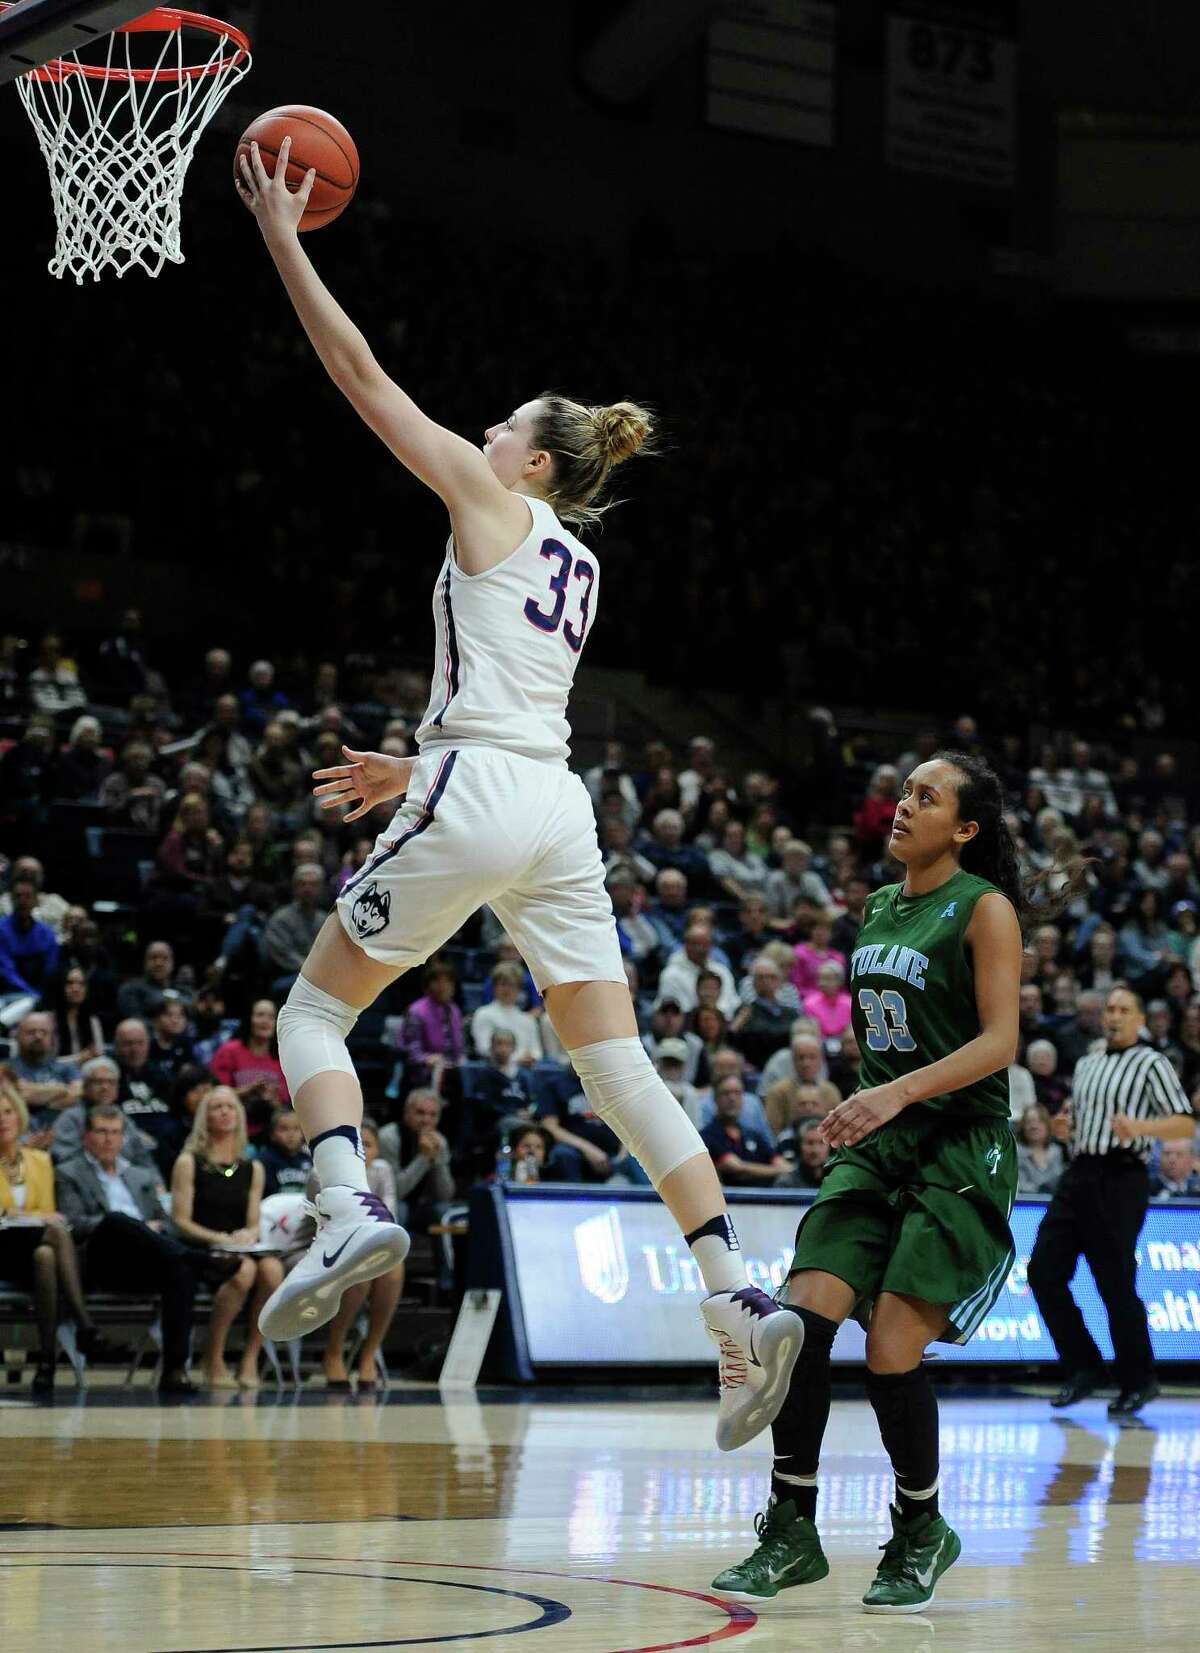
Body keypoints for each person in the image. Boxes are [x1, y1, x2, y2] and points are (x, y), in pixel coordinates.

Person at [235, 145, 801, 1451]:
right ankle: (735, 1294)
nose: (483, 435)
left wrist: (282, 237)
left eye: (503, 428)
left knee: (314, 1009)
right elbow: (498, 704)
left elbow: (360, 376)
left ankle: (343, 1202)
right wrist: (418, 769)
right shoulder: (581, 566)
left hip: (487, 788)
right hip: (553, 807)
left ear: (534, 464)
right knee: (617, 1067)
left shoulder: (491, 496)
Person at [713, 752, 1032, 1613]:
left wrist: (891, 1092)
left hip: (959, 1146)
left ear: (965, 828)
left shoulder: (986, 908)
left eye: (927, 797)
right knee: (797, 1324)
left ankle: (922, 1526)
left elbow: (999, 1041)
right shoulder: (880, 904)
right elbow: (886, 1034)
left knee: (891, 1347)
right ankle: (791, 1528)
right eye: (904, 791)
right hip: (880, 1137)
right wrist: (864, 1105)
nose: (904, 805)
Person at [1028, 985, 1194, 1416]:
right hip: (1080, 1171)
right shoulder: (1086, 1062)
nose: (1114, 1016)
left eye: (1124, 1009)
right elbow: (1081, 1121)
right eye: (1110, 1009)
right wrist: (1067, 1130)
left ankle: (1140, 1379)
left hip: (1122, 1177)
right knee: (1043, 1271)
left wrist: (1140, 1127)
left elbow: (1182, 1121)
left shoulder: (1152, 1063)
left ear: (1140, 1019)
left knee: (1114, 1283)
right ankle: (1084, 1367)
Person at [55, 1103, 241, 1395]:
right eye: (101, 1132)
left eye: (115, 1133)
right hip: (100, 1260)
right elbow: (74, 1224)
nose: (108, 1139)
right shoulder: (68, 1172)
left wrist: (151, 1229)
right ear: (85, 1137)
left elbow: (166, 1223)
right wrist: (136, 1225)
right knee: (117, 1220)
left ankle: (175, 1370)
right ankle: (201, 1260)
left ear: (123, 1138)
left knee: (179, 1270)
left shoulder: (140, 1175)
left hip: (143, 1260)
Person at [0, 1083, 124, 1392]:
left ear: (19, 1116)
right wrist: (25, 1216)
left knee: (46, 1255)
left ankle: (47, 1363)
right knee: (54, 1234)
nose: (2, 1120)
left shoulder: (40, 1161)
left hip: (32, 1248)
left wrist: (33, 1218)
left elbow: (50, 1211)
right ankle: (85, 1326)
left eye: (7, 1112)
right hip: (2, 1249)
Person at [169, 1087, 282, 1389]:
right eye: (217, 1107)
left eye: (231, 1107)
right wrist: (219, 1237)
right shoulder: (189, 1162)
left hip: (240, 1247)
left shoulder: (252, 1167)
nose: (224, 1112)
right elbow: (180, 1220)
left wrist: (248, 1233)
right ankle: (213, 1356)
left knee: (272, 1270)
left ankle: (250, 1357)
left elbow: (255, 1221)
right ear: (204, 1116)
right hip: (202, 1248)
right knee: (243, 1271)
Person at [319, 1116, 405, 1392]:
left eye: (369, 1145)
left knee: (394, 1270)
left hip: (371, 1242)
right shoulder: (321, 1173)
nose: (363, 1151)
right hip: (325, 1246)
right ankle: (334, 1350)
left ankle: (369, 1352)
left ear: (378, 1149)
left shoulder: (382, 1171)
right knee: (361, 1276)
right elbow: (326, 1224)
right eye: (357, 1145)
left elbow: (389, 1214)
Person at [208, 999, 289, 1139]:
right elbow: (213, 1095)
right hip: (232, 1130)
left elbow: (284, 1106)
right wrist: (250, 1090)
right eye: (260, 1015)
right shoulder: (229, 1051)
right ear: (249, 1019)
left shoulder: (282, 1058)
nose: (265, 1021)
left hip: (270, 1135)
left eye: (271, 1017)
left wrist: (273, 1099)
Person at [701, 1074, 787, 1186]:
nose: (732, 1098)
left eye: (737, 1093)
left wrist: (788, 1170)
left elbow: (779, 1161)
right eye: (726, 1093)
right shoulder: (707, 1136)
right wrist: (781, 1171)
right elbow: (738, 1168)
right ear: (715, 1098)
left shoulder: (753, 1134)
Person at [470, 962, 543, 1065]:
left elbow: (537, 1052)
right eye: (503, 984)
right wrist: (517, 1059)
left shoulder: (528, 1020)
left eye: (512, 985)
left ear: (519, 989)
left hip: (525, 1072)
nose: (507, 989)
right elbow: (484, 1049)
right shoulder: (483, 1014)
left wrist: (531, 1058)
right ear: (494, 987)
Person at [0, 873, 59, 997]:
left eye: (28, 896)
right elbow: (7, 972)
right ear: (11, 899)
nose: (22, 901)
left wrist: (43, 998)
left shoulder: (47, 934)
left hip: (41, 996)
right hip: (6, 995)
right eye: (18, 896)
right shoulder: (1, 929)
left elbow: (51, 971)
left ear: (36, 900)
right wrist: (32, 995)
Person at [44, 965, 106, 1063]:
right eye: (70, 983)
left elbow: (99, 1054)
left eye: (81, 984)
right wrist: (79, 1058)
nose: (76, 988)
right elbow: (45, 1063)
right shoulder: (47, 1020)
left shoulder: (92, 1021)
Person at [257, 1105, 314, 1197]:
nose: (290, 1134)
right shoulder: (264, 1161)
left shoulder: (309, 1160)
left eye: (296, 1129)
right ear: (272, 1134)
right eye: (284, 1129)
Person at [1015, 1102, 1067, 1195]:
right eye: (1029, 1122)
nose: (1034, 1126)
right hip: (1025, 1206)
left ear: (1047, 1125)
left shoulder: (1056, 1151)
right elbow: (1020, 1186)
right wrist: (1042, 1189)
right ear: (1023, 1127)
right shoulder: (1016, 1152)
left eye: (1039, 1121)